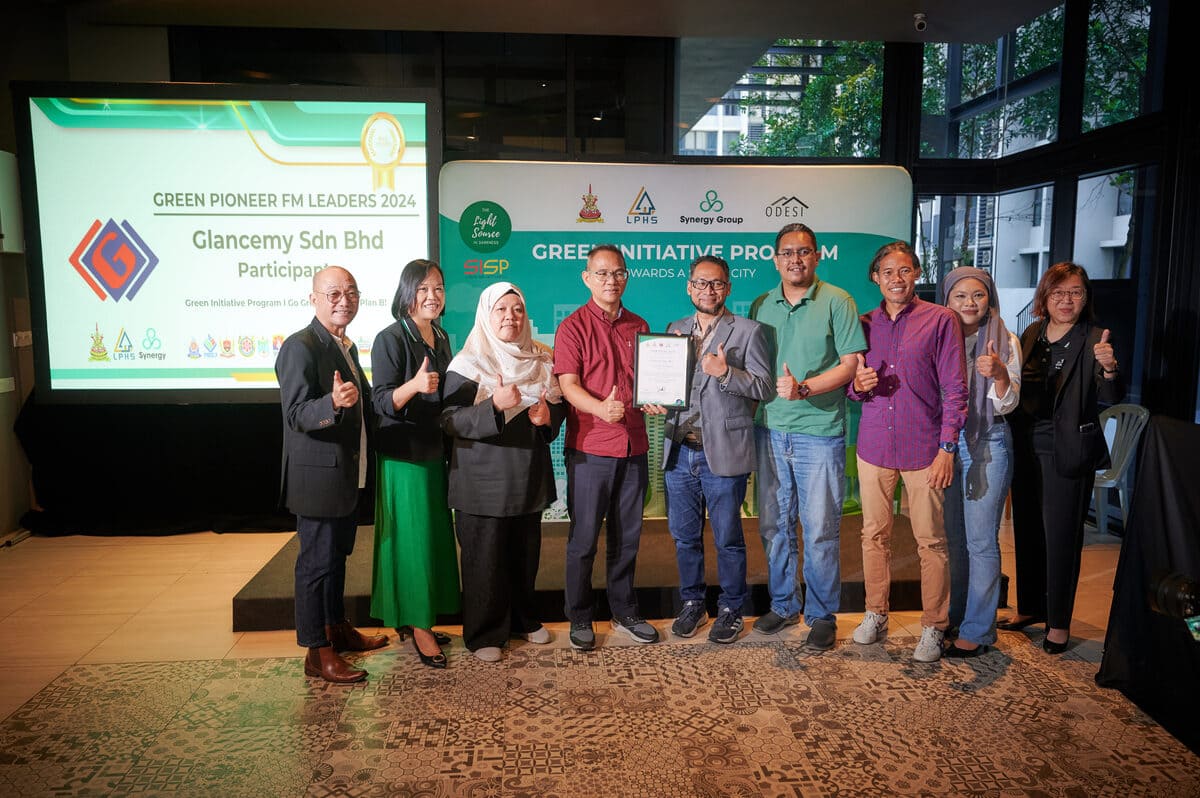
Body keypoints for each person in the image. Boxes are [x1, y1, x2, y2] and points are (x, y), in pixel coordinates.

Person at [848, 241, 967, 663]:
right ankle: (876, 613)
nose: (896, 279)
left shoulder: (941, 320)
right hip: (874, 446)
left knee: (930, 541)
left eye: (904, 270)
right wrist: (856, 387)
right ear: (875, 278)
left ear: (916, 273)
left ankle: (934, 625)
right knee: (873, 535)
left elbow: (956, 389)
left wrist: (947, 448)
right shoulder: (863, 324)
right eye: (887, 272)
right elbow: (852, 384)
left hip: (924, 448)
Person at [749, 223, 866, 650]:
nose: (795, 259)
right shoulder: (762, 304)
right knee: (774, 525)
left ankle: (820, 614)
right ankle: (783, 605)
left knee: (819, 529)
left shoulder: (837, 300)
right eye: (787, 252)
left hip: (819, 433)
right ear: (775, 259)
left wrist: (805, 388)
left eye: (803, 251)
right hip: (769, 429)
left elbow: (851, 364)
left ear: (817, 256)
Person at [441, 282, 566, 662]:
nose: (510, 317)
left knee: (524, 556)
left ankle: (523, 619)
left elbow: (556, 408)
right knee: (485, 559)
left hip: (526, 474)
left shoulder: (541, 359)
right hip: (482, 479)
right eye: (501, 310)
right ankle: (484, 633)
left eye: (517, 310)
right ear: (486, 315)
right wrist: (493, 405)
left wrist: (547, 417)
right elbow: (449, 420)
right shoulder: (468, 363)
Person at [276, 265, 388, 684]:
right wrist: (333, 403)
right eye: (334, 294)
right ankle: (316, 651)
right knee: (315, 567)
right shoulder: (300, 346)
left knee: (336, 558)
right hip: (318, 480)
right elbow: (295, 413)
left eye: (352, 293)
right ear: (314, 299)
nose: (345, 301)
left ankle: (336, 629)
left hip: (345, 475)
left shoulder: (346, 346)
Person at [652, 255, 772, 644]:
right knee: (684, 537)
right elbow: (665, 384)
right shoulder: (674, 329)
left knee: (728, 538)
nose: (708, 290)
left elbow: (764, 387)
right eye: (701, 283)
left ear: (728, 288)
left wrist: (727, 373)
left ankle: (732, 608)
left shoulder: (749, 331)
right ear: (689, 287)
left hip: (723, 451)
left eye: (717, 283)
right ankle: (693, 604)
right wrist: (654, 399)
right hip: (679, 451)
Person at [1006, 262, 1123, 654]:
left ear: (1085, 297)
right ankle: (1030, 608)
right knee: (1027, 530)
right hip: (1026, 444)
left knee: (1061, 537)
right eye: (1058, 292)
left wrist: (1109, 369)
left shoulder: (1094, 339)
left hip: (1067, 448)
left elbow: (1110, 398)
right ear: (1045, 297)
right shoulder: (1032, 333)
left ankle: (1058, 622)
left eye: (1075, 292)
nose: (1066, 300)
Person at [553, 244, 659, 650]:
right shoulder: (572, 327)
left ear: (626, 277)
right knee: (583, 540)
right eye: (601, 273)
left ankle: (625, 611)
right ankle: (580, 616)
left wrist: (653, 398)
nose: (610, 280)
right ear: (587, 278)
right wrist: (600, 408)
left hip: (633, 445)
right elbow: (568, 385)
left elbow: (645, 381)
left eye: (618, 273)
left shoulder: (639, 324)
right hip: (591, 448)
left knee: (627, 538)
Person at [369, 259, 461, 669]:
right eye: (423, 288)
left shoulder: (440, 336)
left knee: (432, 538)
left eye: (438, 288)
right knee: (413, 542)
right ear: (407, 293)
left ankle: (417, 617)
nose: (432, 296)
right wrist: (414, 385)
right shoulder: (389, 338)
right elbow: (381, 400)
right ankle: (419, 627)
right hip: (403, 455)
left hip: (434, 450)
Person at [940, 267, 1021, 658]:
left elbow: (1009, 402)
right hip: (945, 442)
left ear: (990, 299)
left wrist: (1000, 374)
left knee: (981, 540)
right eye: (960, 296)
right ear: (946, 300)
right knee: (953, 540)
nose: (969, 303)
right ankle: (956, 617)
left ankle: (978, 630)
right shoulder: (939, 335)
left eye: (978, 295)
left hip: (988, 440)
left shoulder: (1005, 339)